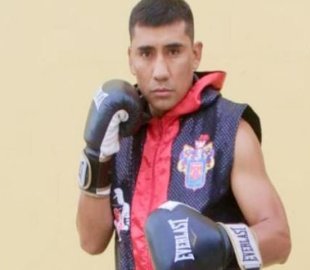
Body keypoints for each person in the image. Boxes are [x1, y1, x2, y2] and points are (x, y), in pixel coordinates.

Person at [76, 0, 291, 269]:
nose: (161, 72)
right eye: (146, 54)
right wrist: (96, 156)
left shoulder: (229, 128)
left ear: (196, 53)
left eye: (174, 51)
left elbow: (280, 239)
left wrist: (221, 244)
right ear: (130, 58)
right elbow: (91, 241)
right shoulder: (119, 130)